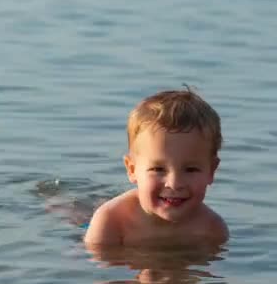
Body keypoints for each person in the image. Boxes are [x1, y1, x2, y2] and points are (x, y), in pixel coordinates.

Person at [84, 88, 229, 246]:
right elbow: (91, 267)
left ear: (212, 171)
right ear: (132, 169)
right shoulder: (112, 222)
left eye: (191, 169)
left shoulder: (212, 229)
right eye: (158, 169)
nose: (174, 184)